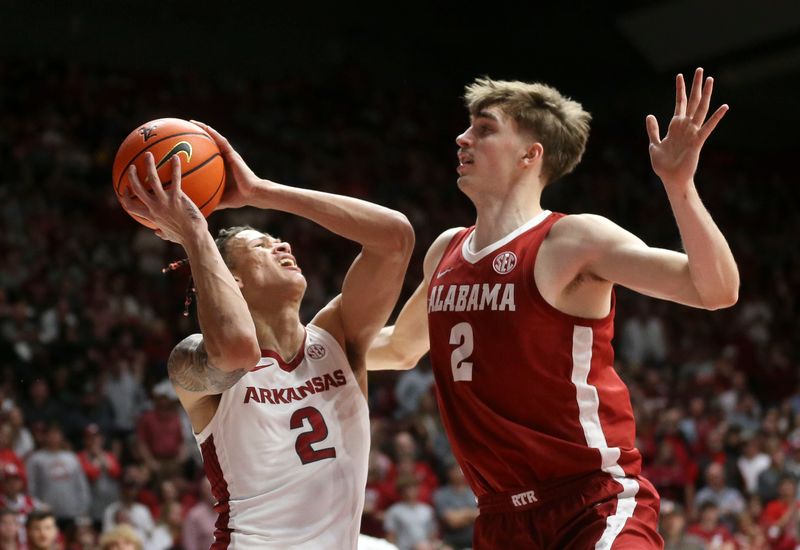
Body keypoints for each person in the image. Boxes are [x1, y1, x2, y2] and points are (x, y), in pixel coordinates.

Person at [368, 67, 738, 548]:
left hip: (592, 501)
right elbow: (398, 347)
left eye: (484, 128)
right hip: (500, 517)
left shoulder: (571, 240)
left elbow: (715, 290)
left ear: (530, 154)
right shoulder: (446, 251)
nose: (462, 139)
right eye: (467, 127)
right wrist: (286, 348)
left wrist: (679, 185)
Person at [119, 121, 414, 549]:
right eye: (261, 246)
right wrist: (194, 233)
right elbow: (239, 351)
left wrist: (260, 191)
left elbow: (395, 238)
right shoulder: (191, 361)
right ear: (232, 279)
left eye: (279, 241)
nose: (283, 247)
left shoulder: (338, 336)